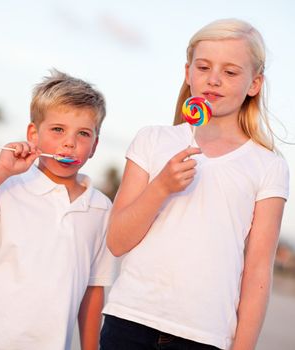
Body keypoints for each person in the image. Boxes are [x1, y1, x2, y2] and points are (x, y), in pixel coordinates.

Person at [100, 18, 289, 350]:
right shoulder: (153, 140)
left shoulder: (268, 166)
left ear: (254, 83)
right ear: (188, 73)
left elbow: (258, 272)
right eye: (204, 67)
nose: (213, 80)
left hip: (205, 337)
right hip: (129, 320)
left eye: (230, 72)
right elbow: (116, 241)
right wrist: (160, 187)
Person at [0, 69, 116, 350]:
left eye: (83, 134)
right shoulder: (10, 186)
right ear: (34, 134)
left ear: (94, 145)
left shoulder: (101, 209)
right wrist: (0, 170)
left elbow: (93, 290)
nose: (70, 142)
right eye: (58, 130)